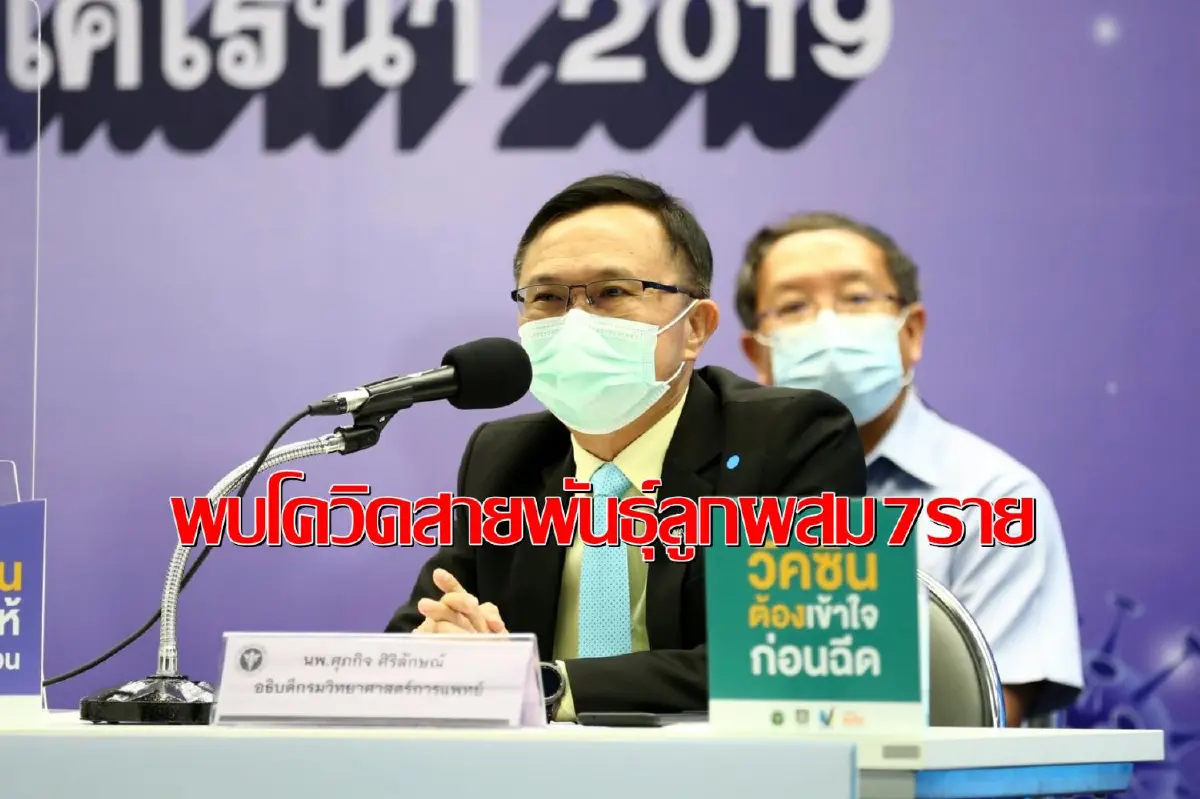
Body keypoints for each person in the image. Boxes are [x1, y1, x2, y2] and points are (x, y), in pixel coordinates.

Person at [386, 176, 867, 720]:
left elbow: (789, 654)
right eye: (547, 298)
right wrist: (438, 653)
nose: (575, 322)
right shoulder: (504, 457)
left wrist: (538, 685)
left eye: (612, 293)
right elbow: (416, 635)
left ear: (695, 327)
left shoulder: (790, 438)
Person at [735, 212, 1083, 725]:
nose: (829, 327)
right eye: (793, 306)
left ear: (912, 331)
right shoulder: (722, 496)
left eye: (856, 298)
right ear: (758, 355)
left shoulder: (996, 498)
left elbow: (984, 718)